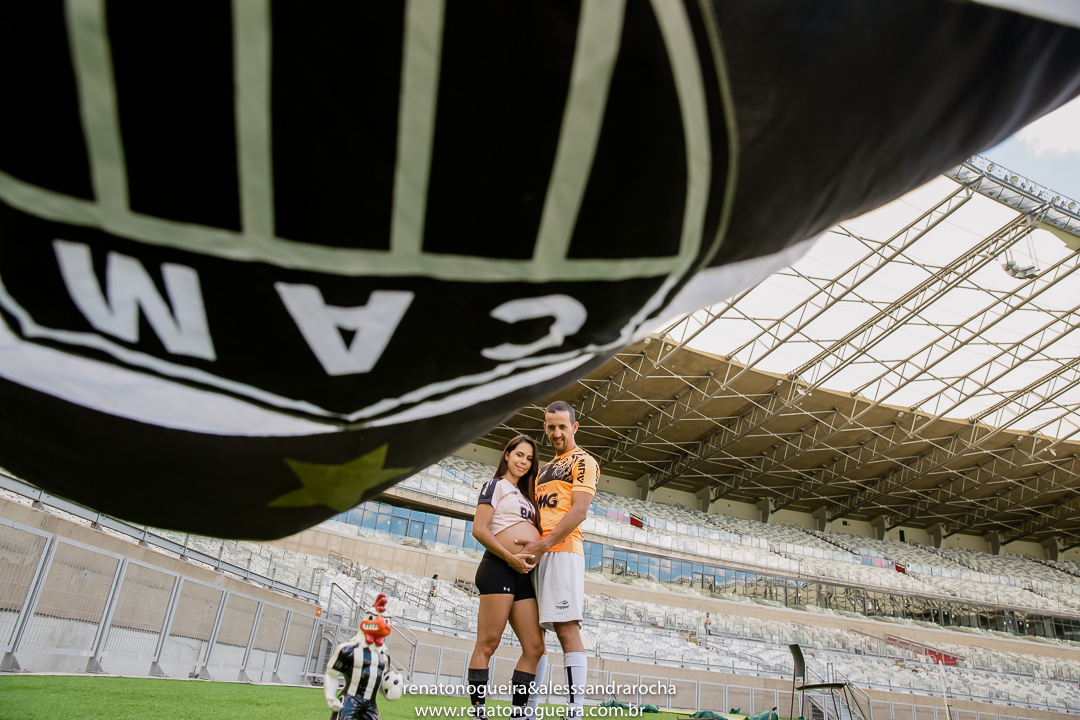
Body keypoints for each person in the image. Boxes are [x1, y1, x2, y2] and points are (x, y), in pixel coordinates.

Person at [518, 401, 598, 720]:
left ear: (574, 427)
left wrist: (544, 543)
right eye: (551, 427)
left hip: (562, 552)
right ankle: (530, 711)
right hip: (537, 554)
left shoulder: (584, 461)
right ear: (545, 428)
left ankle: (575, 712)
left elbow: (579, 511)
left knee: (566, 629)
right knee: (533, 637)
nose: (556, 432)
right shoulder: (544, 469)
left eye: (562, 426)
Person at [467, 435, 548, 720]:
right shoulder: (495, 486)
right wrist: (510, 556)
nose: (523, 462)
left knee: (535, 647)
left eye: (528, 459)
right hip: (499, 567)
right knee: (488, 642)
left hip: (524, 574)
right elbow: (479, 529)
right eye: (519, 455)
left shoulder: (527, 496)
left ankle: (518, 713)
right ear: (507, 454)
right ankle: (479, 713)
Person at [323, 593, 404, 720]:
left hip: (370, 704)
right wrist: (330, 695)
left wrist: (392, 689)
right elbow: (331, 674)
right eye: (373, 618)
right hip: (349, 699)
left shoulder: (384, 655)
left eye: (385, 620)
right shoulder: (348, 650)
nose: (381, 622)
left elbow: (380, 681)